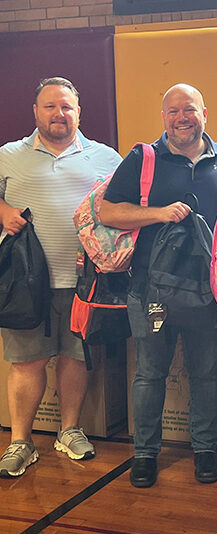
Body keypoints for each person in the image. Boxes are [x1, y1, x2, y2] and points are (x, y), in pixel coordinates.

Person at [100, 83, 217, 488]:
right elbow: (109, 210)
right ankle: (145, 454)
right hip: (150, 289)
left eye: (190, 110)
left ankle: (205, 451)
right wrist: (158, 213)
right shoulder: (143, 158)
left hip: (210, 290)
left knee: (206, 372)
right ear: (163, 116)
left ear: (206, 113)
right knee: (150, 374)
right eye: (173, 111)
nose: (182, 117)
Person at [0, 77, 122, 477]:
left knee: (75, 357)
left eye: (66, 107)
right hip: (24, 282)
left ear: (78, 113)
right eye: (50, 106)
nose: (59, 114)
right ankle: (21, 441)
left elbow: (125, 209)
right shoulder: (10, 155)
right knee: (26, 362)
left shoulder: (106, 158)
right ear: (35, 112)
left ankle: (69, 430)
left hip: (84, 282)